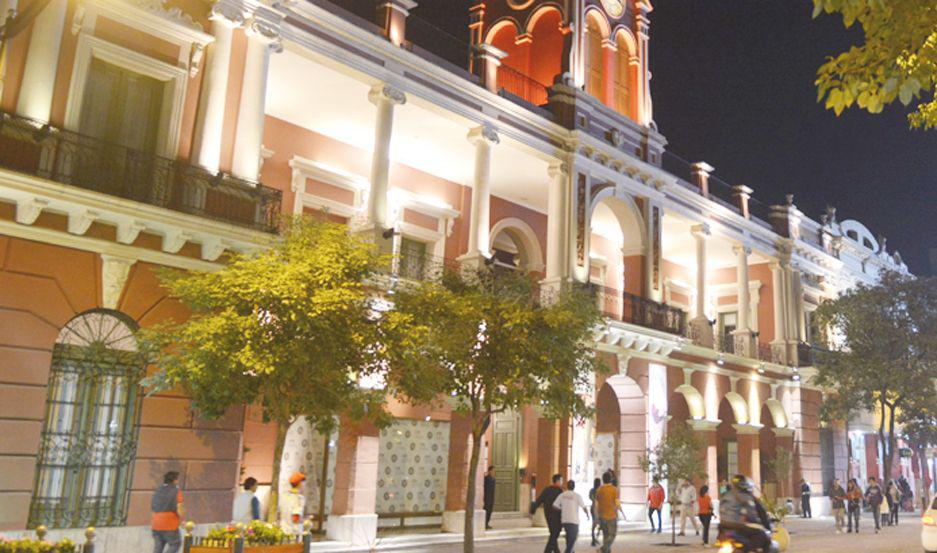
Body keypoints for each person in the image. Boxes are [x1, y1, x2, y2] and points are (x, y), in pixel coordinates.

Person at [718, 475, 771, 553]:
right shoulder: (747, 496)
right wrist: (762, 523)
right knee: (763, 537)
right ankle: (745, 550)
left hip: (723, 526)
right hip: (738, 526)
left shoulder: (726, 495)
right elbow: (753, 514)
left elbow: (721, 510)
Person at [151, 471, 184, 553]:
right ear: (174, 481)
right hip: (169, 523)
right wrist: (182, 519)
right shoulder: (176, 491)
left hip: (156, 523)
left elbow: (153, 506)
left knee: (158, 548)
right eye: (177, 479)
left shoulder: (158, 490)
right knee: (175, 544)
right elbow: (179, 508)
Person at [553, 480, 590, 553]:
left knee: (569, 538)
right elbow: (584, 507)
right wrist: (587, 514)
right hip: (574, 520)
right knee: (573, 538)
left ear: (567, 486)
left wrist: (561, 509)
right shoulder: (577, 496)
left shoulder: (562, 495)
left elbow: (554, 506)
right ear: (574, 486)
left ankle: (571, 551)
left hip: (565, 520)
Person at [531, 474, 565, 553]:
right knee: (555, 533)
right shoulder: (560, 491)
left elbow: (539, 500)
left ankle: (552, 551)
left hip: (548, 515)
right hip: (557, 516)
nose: (562, 482)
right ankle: (550, 551)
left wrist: (533, 510)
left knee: (553, 533)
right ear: (557, 481)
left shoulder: (547, 489)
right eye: (561, 480)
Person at [595, 472, 626, 553]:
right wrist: (622, 512)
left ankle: (606, 551)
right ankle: (602, 549)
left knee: (605, 536)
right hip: (611, 516)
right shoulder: (614, 490)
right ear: (611, 479)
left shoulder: (599, 490)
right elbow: (617, 503)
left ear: (603, 480)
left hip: (602, 516)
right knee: (612, 535)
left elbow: (597, 504)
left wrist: (597, 516)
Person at [589, 477, 602, 547]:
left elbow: (590, 497)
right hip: (598, 509)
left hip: (593, 508)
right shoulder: (600, 490)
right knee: (599, 524)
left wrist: (594, 500)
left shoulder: (592, 490)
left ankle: (594, 539)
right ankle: (594, 539)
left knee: (594, 524)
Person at [483, 466, 496, 530]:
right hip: (486, 498)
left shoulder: (493, 479)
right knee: (486, 511)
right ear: (489, 471)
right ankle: (484, 524)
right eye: (493, 470)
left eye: (494, 471)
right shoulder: (486, 478)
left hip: (491, 497)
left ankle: (487, 523)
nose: (494, 472)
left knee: (490, 511)